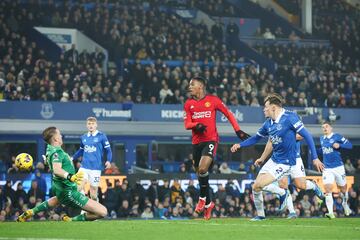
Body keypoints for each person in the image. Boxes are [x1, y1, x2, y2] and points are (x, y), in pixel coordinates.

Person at [230, 93, 323, 221]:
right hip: (275, 159)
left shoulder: (290, 117)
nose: (263, 109)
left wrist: (315, 158)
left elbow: (307, 135)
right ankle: (261, 215)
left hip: (288, 161)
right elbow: (257, 138)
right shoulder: (268, 124)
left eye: (266, 107)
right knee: (256, 186)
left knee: (300, 185)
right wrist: (240, 145)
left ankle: (286, 192)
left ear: (273, 107)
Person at [183, 76, 250, 220]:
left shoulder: (213, 101)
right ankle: (209, 204)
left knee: (202, 169)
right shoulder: (189, 104)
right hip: (196, 143)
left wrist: (238, 130)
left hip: (211, 140)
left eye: (192, 84)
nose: (189, 87)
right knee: (201, 175)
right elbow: (187, 124)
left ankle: (202, 199)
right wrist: (196, 125)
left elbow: (228, 114)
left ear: (200, 87)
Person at [17, 126, 107, 222]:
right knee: (102, 212)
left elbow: (52, 164)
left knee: (67, 192)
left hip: (61, 188)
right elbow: (57, 170)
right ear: (55, 138)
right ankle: (71, 220)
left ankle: (31, 212)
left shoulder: (50, 149)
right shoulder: (57, 152)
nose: (61, 136)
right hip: (69, 192)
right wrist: (70, 176)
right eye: (59, 134)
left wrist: (48, 162)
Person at [256, 135, 324, 219]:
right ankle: (292, 212)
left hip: (295, 159)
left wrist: (283, 136)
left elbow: (301, 136)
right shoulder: (274, 125)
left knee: (301, 185)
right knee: (283, 185)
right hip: (281, 159)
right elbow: (271, 141)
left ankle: (313, 185)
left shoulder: (294, 122)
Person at [72, 117, 112, 201]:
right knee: (78, 186)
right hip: (84, 167)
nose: (91, 125)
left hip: (96, 169)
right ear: (86, 125)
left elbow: (108, 150)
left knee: (93, 194)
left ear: (96, 125)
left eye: (92, 124)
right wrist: (72, 158)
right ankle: (82, 202)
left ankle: (94, 206)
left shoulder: (102, 136)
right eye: (89, 124)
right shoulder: (83, 137)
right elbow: (81, 151)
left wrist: (108, 161)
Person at [319, 122, 353, 219]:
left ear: (331, 128)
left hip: (338, 167)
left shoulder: (337, 136)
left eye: (326, 126)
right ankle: (331, 213)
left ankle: (345, 204)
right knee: (328, 189)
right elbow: (322, 150)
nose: (324, 128)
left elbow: (350, 145)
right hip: (327, 168)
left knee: (343, 189)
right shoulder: (321, 139)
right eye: (323, 127)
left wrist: (340, 145)